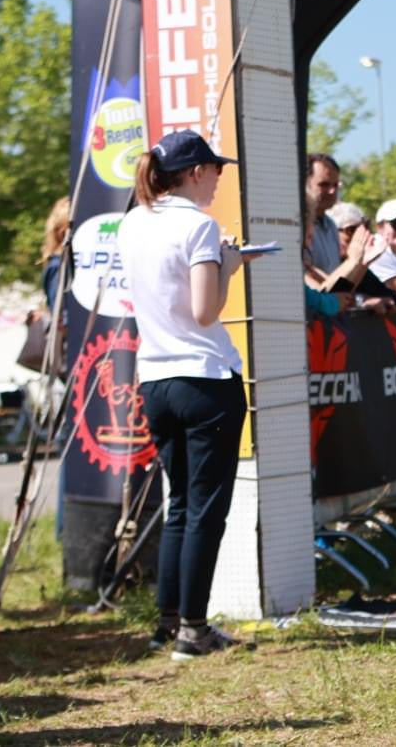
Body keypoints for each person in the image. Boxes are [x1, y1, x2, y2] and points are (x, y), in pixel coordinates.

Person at [116, 130, 258, 659]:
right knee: (204, 511)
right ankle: (193, 631)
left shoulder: (134, 221)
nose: (219, 177)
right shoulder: (199, 225)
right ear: (196, 172)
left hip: (155, 377)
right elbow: (205, 311)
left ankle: (169, 623)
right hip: (204, 376)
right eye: (215, 169)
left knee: (180, 504)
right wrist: (230, 266)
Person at [304, 153, 343, 274]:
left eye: (335, 185)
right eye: (324, 185)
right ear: (306, 183)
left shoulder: (332, 226)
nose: (332, 191)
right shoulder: (299, 227)